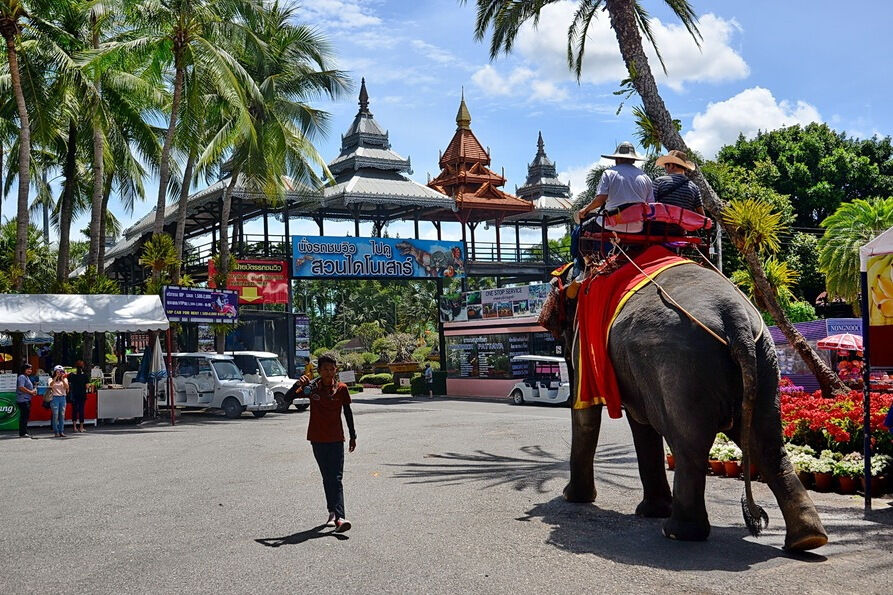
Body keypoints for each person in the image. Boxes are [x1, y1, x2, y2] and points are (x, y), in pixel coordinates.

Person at [292, 353, 356, 533]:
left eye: (332, 369)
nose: (329, 373)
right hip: (318, 439)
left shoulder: (341, 389)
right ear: (319, 371)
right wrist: (298, 384)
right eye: (325, 369)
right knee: (327, 476)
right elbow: (288, 398)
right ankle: (332, 513)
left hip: (337, 438)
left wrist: (353, 435)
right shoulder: (312, 388)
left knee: (336, 477)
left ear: (336, 370)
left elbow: (348, 413)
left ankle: (340, 517)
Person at [573, 141, 653, 269]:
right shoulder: (645, 177)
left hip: (611, 224)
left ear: (617, 158)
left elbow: (600, 199)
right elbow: (651, 206)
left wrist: (585, 210)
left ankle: (582, 267)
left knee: (579, 231)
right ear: (633, 160)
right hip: (637, 227)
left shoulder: (609, 173)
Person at [654, 149, 704, 215]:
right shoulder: (694, 187)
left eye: (666, 165)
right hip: (685, 224)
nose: (665, 169)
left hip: (661, 224)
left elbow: (650, 204)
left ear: (671, 165)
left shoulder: (659, 182)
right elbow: (701, 214)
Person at [16, 363, 38, 438]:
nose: (30, 370)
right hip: (23, 400)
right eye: (28, 369)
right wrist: (31, 392)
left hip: (26, 399)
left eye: (30, 369)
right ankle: (22, 433)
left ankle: (24, 431)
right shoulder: (22, 377)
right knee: (24, 416)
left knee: (25, 416)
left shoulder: (27, 377)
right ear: (24, 369)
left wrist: (33, 391)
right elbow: (21, 387)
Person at [68, 360, 90, 433]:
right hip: (82, 394)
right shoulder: (85, 375)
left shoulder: (72, 375)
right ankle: (81, 427)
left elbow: (69, 384)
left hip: (74, 394)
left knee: (74, 410)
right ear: (82, 366)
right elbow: (87, 386)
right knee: (81, 410)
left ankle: (74, 427)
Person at [48, 365, 69, 437]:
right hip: (54, 398)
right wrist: (56, 377)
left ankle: (61, 431)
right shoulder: (51, 379)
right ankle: (56, 431)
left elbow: (67, 387)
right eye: (58, 371)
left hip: (63, 398)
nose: (59, 373)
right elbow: (50, 385)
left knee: (62, 415)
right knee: (55, 415)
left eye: (61, 371)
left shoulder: (65, 379)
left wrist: (62, 378)